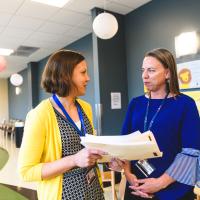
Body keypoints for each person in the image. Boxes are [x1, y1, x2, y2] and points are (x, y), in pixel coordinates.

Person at [110, 48, 200, 200]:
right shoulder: (136, 103)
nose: (144, 75)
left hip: (173, 191)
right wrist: (128, 173)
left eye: (151, 70)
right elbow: (124, 144)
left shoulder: (185, 104)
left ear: (167, 73)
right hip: (136, 188)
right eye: (142, 70)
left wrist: (160, 183)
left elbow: (191, 153)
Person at [18, 50, 105, 200]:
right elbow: (26, 171)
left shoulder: (86, 108)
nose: (88, 78)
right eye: (83, 72)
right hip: (64, 194)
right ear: (65, 76)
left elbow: (87, 151)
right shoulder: (39, 115)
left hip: (94, 189)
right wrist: (73, 160)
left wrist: (111, 155)